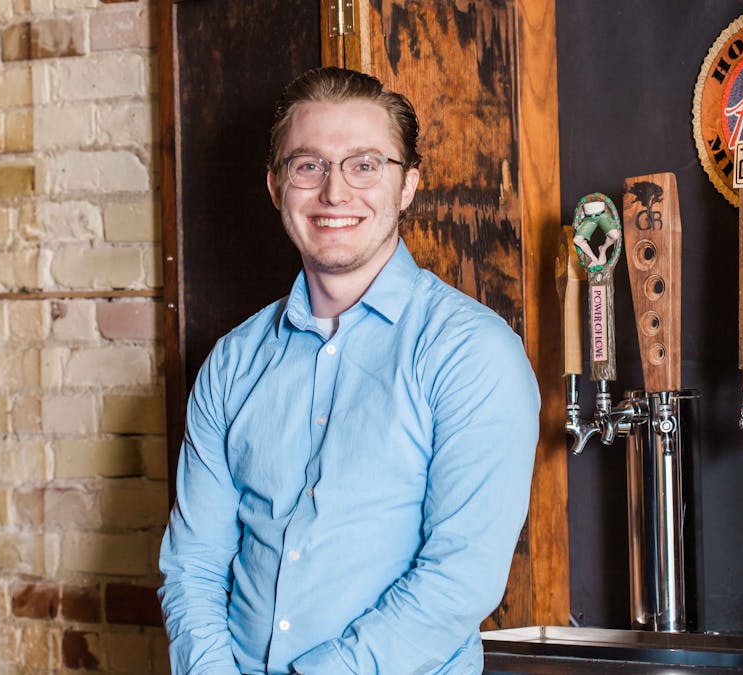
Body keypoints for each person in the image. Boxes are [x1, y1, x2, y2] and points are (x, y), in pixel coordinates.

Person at [158, 66, 540, 675]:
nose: (335, 193)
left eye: (364, 165)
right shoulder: (232, 363)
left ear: (408, 185)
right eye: (308, 165)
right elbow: (194, 565)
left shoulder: (471, 354)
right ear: (276, 186)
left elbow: (457, 580)